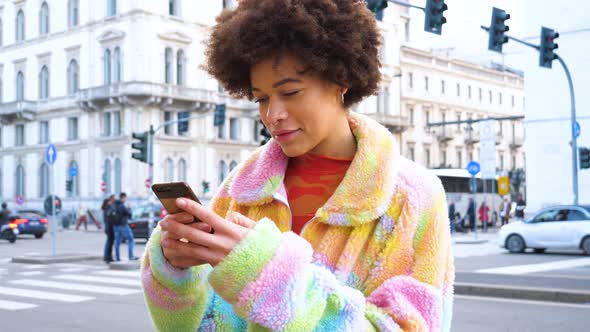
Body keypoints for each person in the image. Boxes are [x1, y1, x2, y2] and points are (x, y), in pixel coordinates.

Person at [140, 1, 454, 331]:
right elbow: (196, 325)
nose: (272, 114)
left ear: (340, 80)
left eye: (290, 92)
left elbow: (413, 326)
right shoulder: (242, 187)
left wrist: (267, 277)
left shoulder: (412, 195)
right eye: (261, 98)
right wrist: (177, 273)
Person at [113, 193, 138, 261]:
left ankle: (117, 258)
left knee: (117, 242)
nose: (126, 199)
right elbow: (129, 214)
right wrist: (129, 207)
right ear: (123, 197)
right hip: (123, 225)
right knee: (130, 239)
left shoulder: (115, 205)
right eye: (126, 198)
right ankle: (131, 256)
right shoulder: (122, 206)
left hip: (116, 226)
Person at [102, 195, 116, 263]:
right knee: (109, 242)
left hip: (109, 227)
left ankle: (108, 256)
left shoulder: (107, 207)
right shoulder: (108, 207)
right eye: (113, 199)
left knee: (110, 242)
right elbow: (110, 216)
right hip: (109, 227)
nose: (114, 201)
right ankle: (107, 257)